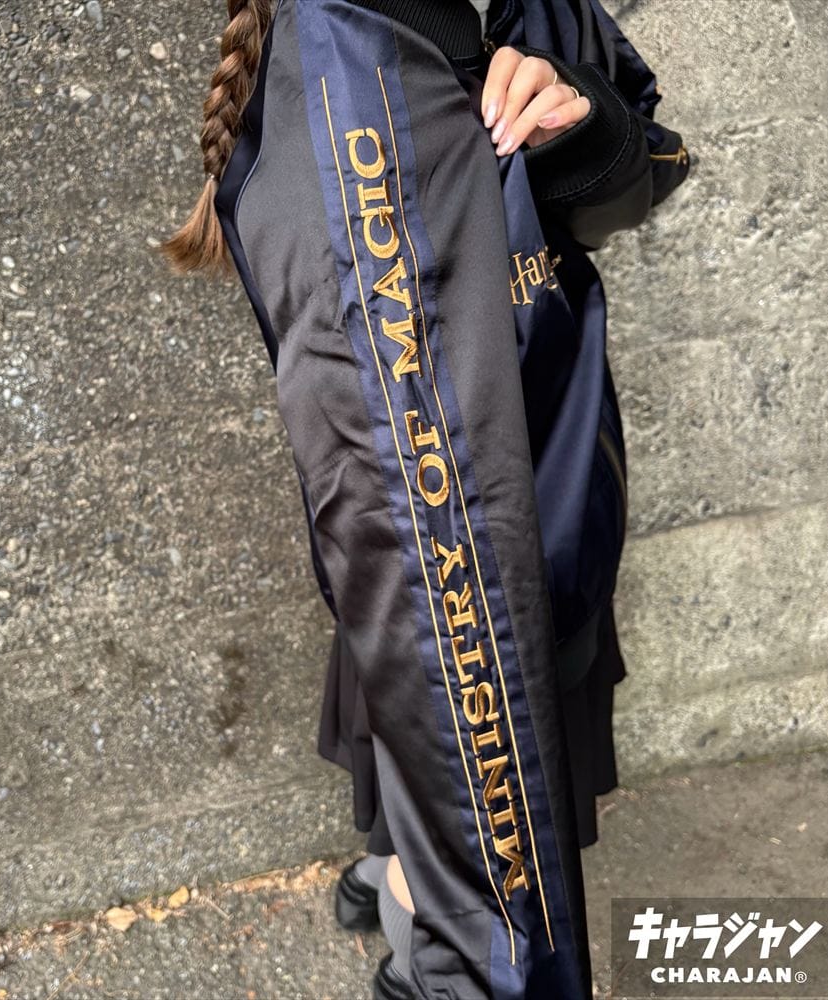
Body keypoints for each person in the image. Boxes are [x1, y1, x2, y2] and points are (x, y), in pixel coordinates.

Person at [162, 1, 691, 997]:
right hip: (460, 573)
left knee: (451, 788)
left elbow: (639, 170)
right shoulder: (345, 65)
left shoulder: (522, 9)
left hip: (550, 486)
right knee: (462, 839)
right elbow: (396, 496)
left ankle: (394, 873)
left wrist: (580, 120)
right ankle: (408, 925)